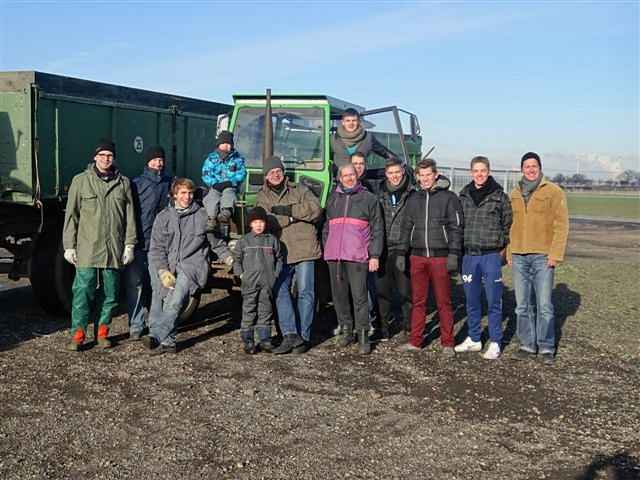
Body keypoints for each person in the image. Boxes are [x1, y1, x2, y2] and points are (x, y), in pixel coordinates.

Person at [62, 139, 136, 351]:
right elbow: (71, 216)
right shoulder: (81, 181)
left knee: (111, 294)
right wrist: (69, 245)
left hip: (113, 249)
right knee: (82, 291)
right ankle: (78, 334)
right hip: (87, 248)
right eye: (102, 155)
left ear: (114, 158)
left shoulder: (123, 183)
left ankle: (103, 332)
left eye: (109, 155)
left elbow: (130, 217)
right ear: (95, 157)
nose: (106, 159)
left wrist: (129, 244)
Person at [256, 155, 322, 354]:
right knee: (280, 290)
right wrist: (294, 219)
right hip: (281, 251)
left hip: (304, 248)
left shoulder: (300, 189)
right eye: (271, 172)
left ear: (283, 173)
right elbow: (268, 222)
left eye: (278, 171)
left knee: (306, 293)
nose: (276, 175)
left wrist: (288, 211)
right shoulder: (262, 197)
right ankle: (290, 334)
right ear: (266, 177)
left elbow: (315, 210)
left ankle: (304, 337)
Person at [507, 152, 569, 365]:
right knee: (521, 305)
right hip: (519, 255)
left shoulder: (553, 191)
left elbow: (561, 226)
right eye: (527, 166)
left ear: (540, 168)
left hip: (543, 256)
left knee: (544, 305)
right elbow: (510, 226)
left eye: (534, 166)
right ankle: (526, 345)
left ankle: (546, 347)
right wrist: (509, 252)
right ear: (522, 169)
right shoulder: (514, 193)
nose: (530, 169)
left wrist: (555, 254)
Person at [398, 158, 463, 356]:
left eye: (428, 175)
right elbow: (406, 227)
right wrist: (402, 252)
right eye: (421, 175)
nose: (425, 179)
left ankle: (448, 343)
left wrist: (453, 254)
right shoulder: (413, 199)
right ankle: (416, 341)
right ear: (417, 177)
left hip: (440, 258)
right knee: (418, 301)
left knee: (443, 302)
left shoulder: (449, 198)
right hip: (417, 257)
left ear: (435, 175)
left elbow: (456, 228)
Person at [454, 156, 512, 360]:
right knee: (471, 300)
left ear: (488, 171)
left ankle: (496, 341)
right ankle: (474, 338)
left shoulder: (500, 196)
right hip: (469, 256)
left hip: (490, 256)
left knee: (494, 300)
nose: (479, 174)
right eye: (476, 171)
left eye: (483, 170)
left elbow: (507, 224)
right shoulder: (463, 196)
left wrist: (501, 247)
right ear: (471, 172)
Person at [144, 178, 210, 356]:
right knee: (159, 297)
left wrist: (230, 259)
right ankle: (168, 341)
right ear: (174, 195)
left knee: (175, 299)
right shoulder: (163, 217)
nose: (187, 197)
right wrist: (162, 270)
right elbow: (156, 248)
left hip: (192, 265)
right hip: (167, 262)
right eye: (183, 193)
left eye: (190, 193)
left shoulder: (202, 215)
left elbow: (216, 241)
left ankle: (156, 336)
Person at [323, 163, 383, 355]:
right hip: (335, 256)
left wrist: (374, 254)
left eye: (352, 174)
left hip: (358, 256)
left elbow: (378, 229)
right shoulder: (333, 199)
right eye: (345, 175)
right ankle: (346, 331)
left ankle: (364, 335)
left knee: (359, 298)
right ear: (339, 178)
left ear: (357, 176)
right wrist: (328, 246)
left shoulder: (369, 199)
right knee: (339, 297)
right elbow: (326, 227)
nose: (349, 178)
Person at [124, 145, 172, 341]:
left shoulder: (169, 183)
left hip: (159, 244)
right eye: (154, 159)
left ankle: (156, 325)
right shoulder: (137, 184)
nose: (158, 162)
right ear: (147, 161)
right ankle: (136, 325)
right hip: (139, 241)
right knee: (135, 284)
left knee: (157, 285)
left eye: (161, 159)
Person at [232, 206, 283, 354]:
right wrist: (241, 275)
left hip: (267, 283)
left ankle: (265, 340)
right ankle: (248, 341)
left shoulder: (272, 240)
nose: (259, 225)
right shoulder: (244, 241)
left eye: (261, 222)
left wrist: (275, 274)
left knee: (265, 310)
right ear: (250, 224)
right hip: (249, 283)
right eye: (255, 222)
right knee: (249, 310)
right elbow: (236, 260)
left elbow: (279, 259)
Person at [376, 157, 414, 341]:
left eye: (397, 172)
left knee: (406, 291)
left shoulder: (412, 193)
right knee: (383, 291)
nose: (394, 176)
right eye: (391, 173)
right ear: (386, 174)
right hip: (383, 249)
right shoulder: (379, 193)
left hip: (403, 249)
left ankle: (408, 326)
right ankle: (383, 327)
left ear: (403, 172)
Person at [201, 130, 246, 224]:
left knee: (229, 194)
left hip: (230, 186)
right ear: (219, 144)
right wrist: (214, 183)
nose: (226, 145)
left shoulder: (237, 159)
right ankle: (211, 218)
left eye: (229, 143)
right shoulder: (211, 158)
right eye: (224, 143)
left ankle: (226, 213)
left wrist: (232, 182)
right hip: (216, 186)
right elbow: (206, 173)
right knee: (211, 197)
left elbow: (242, 173)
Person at [331, 108, 398, 168]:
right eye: (348, 121)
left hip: (361, 179)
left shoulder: (368, 138)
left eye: (354, 120)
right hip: (340, 180)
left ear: (359, 122)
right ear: (343, 122)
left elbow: (385, 152)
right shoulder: (333, 139)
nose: (351, 123)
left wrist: (400, 162)